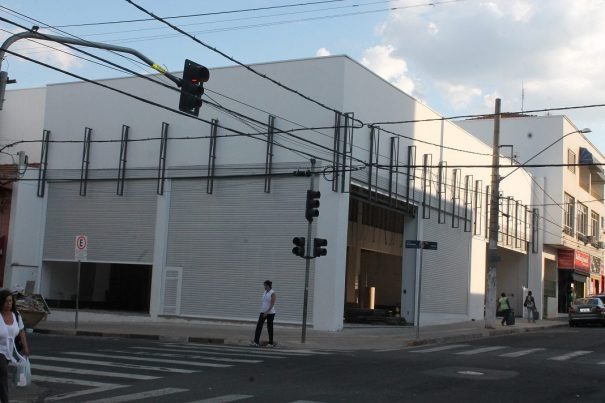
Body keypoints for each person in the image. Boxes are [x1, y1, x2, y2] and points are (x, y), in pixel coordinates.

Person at [0, 290, 30, 403]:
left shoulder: (16, 315)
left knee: (1, 374)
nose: (8, 303)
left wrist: (26, 348)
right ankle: (5, 400)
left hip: (9, 351)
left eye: (10, 301)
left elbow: (21, 331)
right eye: (6, 301)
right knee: (3, 373)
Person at [250, 280, 276, 348]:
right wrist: (263, 311)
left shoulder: (272, 293)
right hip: (263, 312)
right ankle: (256, 342)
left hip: (270, 313)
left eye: (264, 285)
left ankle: (271, 343)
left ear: (268, 285)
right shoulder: (265, 292)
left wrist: (267, 312)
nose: (264, 286)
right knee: (259, 326)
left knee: (269, 328)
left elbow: (272, 303)